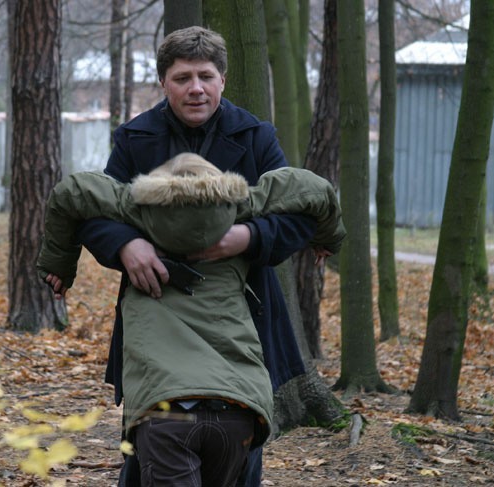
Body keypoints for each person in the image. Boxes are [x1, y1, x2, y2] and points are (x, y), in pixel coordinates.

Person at [69, 26, 320, 486]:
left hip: (241, 316)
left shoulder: (255, 137)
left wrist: (244, 237)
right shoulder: (134, 138)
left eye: (205, 76)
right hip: (158, 317)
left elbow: (297, 216)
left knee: (240, 449)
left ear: (222, 79)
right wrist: (127, 245)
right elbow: (96, 210)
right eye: (183, 77)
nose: (196, 88)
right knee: (150, 438)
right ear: (164, 82)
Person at [38, 153, 345, 486]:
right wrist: (328, 237)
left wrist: (60, 264)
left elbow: (71, 191)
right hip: (238, 408)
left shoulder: (136, 210)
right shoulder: (241, 209)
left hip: (165, 410)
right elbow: (315, 189)